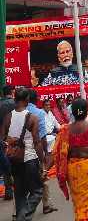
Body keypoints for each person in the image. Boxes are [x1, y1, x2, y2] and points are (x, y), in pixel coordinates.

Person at [1, 88, 46, 221]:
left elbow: (2, 138)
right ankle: (23, 217)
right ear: (27, 100)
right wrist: (42, 162)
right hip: (30, 159)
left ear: (15, 100)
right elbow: (37, 143)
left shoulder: (8, 117)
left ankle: (22, 215)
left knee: (20, 194)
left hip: (14, 159)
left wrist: (11, 142)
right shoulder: (33, 118)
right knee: (37, 191)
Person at [0, 85, 14, 202]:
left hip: (2, 138)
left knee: (5, 165)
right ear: (12, 92)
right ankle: (20, 188)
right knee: (17, 162)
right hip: (15, 137)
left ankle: (9, 190)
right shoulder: (16, 103)